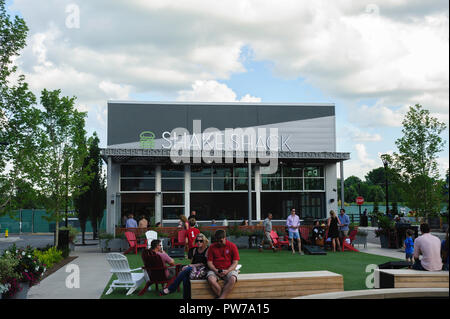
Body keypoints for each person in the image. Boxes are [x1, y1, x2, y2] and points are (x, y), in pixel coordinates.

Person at [159, 233, 210, 299]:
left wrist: (190, 266)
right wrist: (190, 265)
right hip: (194, 270)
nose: (199, 242)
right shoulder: (194, 250)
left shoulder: (208, 250)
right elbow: (192, 262)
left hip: (203, 270)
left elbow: (205, 263)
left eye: (201, 241)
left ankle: (171, 289)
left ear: (204, 241)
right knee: (186, 278)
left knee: (186, 270)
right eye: (197, 241)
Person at [206, 229, 240, 299]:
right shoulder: (212, 247)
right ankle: (222, 297)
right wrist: (216, 270)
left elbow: (235, 262)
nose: (219, 243)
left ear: (225, 238)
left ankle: (221, 297)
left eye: (221, 241)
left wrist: (227, 271)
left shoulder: (232, 246)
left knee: (233, 279)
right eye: (217, 241)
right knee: (210, 279)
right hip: (215, 269)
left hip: (229, 269)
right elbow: (209, 262)